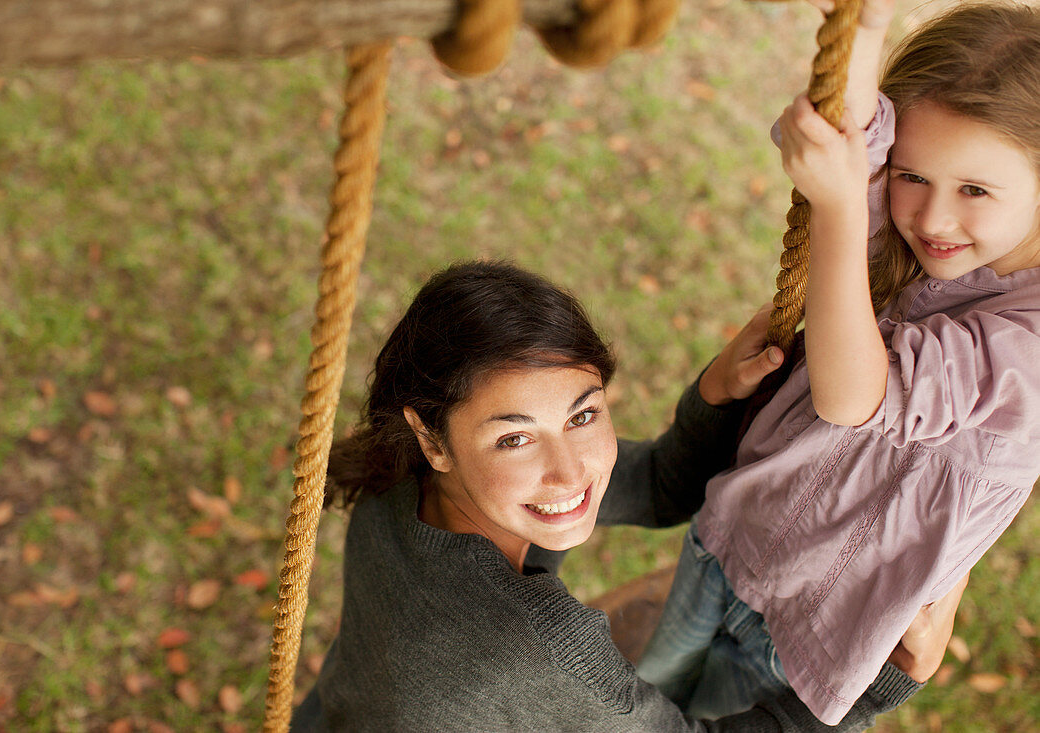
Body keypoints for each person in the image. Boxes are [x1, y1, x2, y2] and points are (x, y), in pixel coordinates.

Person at [291, 260, 955, 731]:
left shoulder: (402, 480)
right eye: (515, 439)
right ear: (432, 437)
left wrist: (716, 394)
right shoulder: (532, 645)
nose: (569, 472)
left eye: (583, 416)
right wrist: (881, 682)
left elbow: (655, 487)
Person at [636, 0, 1040, 724]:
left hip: (815, 628)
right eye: (912, 177)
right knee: (636, 708)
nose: (930, 218)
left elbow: (856, 397)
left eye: (974, 190)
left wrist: (842, 211)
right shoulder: (933, 231)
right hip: (733, 534)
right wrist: (870, 27)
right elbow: (852, 133)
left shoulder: (1030, 347)